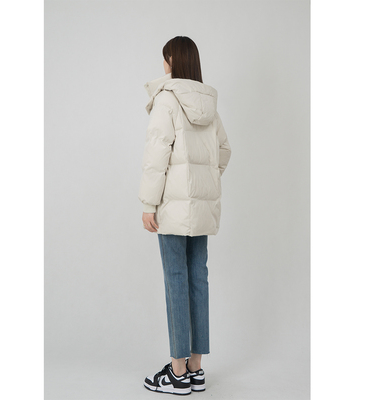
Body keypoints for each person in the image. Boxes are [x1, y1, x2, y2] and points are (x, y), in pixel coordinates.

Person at [138, 36, 232, 395]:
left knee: (175, 279)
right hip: (201, 209)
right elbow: (224, 149)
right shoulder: (208, 104)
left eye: (165, 58)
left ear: (172, 60)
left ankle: (176, 373)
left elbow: (157, 154)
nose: (163, 64)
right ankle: (195, 368)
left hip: (173, 209)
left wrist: (149, 204)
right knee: (198, 279)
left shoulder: (167, 99)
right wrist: (202, 184)